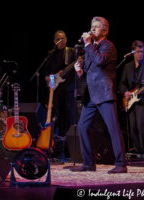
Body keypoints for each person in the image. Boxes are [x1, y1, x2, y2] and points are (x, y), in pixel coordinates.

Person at [72, 16, 127, 173]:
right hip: (91, 95)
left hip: (104, 93)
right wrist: (80, 71)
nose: (93, 28)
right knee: (83, 126)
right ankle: (89, 163)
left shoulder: (109, 46)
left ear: (105, 30)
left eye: (96, 26)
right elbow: (91, 70)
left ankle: (121, 164)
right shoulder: (91, 48)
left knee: (112, 128)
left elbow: (99, 61)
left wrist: (89, 44)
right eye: (92, 26)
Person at [119, 40, 144, 155]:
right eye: (137, 52)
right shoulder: (127, 66)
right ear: (133, 52)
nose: (140, 54)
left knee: (142, 126)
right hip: (131, 101)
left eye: (142, 52)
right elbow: (121, 84)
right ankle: (137, 152)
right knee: (132, 127)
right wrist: (125, 92)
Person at [43, 30, 76, 160]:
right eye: (58, 39)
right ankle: (55, 148)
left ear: (66, 40)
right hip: (55, 90)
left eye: (62, 38)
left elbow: (76, 68)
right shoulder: (51, 54)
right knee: (55, 117)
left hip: (68, 89)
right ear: (54, 41)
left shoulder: (72, 52)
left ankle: (68, 150)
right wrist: (50, 79)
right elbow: (46, 72)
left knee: (68, 117)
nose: (60, 41)